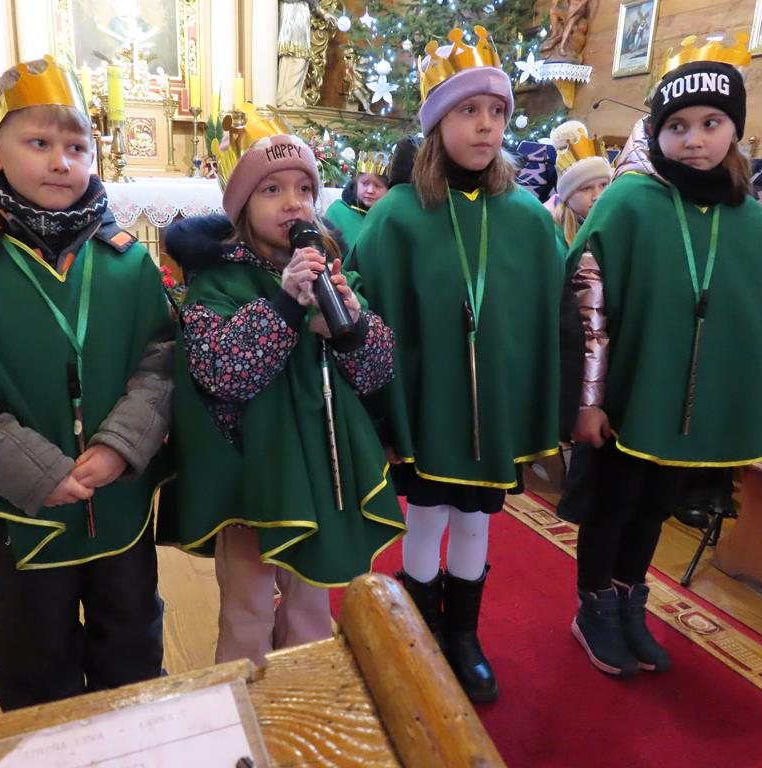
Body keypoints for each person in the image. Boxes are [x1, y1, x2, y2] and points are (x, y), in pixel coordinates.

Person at [0, 56, 174, 711]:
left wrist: (120, 446)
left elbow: (162, 361)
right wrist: (31, 468)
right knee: (34, 652)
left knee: (132, 639)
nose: (61, 162)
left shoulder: (125, 261)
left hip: (117, 496)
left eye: (77, 147)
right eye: (39, 143)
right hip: (23, 503)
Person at [350, 26, 563, 703]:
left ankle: (464, 635)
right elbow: (365, 310)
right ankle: (420, 634)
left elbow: (547, 314)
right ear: (438, 123)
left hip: (492, 404)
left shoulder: (526, 217)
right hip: (427, 398)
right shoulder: (398, 215)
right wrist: (382, 411)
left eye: (497, 111)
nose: (486, 125)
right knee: (427, 515)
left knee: (475, 518)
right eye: (469, 110)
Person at [158, 104, 405, 667]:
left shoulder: (331, 272)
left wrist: (351, 326)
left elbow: (375, 372)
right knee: (247, 610)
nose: (293, 202)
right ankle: (246, 704)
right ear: (243, 204)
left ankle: (303, 697)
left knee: (311, 605)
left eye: (304, 188)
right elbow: (224, 372)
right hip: (249, 477)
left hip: (318, 473)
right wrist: (285, 309)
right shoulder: (216, 282)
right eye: (272, 189)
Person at [566, 39, 762, 676]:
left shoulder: (748, 217)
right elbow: (585, 302)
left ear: (734, 130)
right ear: (656, 133)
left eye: (711, 123)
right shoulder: (627, 201)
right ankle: (594, 607)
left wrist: (744, 402)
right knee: (614, 503)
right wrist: (588, 401)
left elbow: (755, 315)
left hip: (695, 402)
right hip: (631, 392)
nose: (694, 140)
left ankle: (630, 597)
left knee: (656, 504)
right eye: (677, 127)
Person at [543, 120, 611, 525]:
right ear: (568, 197)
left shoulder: (607, 232)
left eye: (604, 185)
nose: (598, 195)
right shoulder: (555, 237)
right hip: (568, 349)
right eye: (587, 188)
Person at [324, 150, 390, 255]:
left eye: (377, 186)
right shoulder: (337, 211)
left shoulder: (390, 219)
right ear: (356, 184)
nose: (370, 190)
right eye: (365, 183)